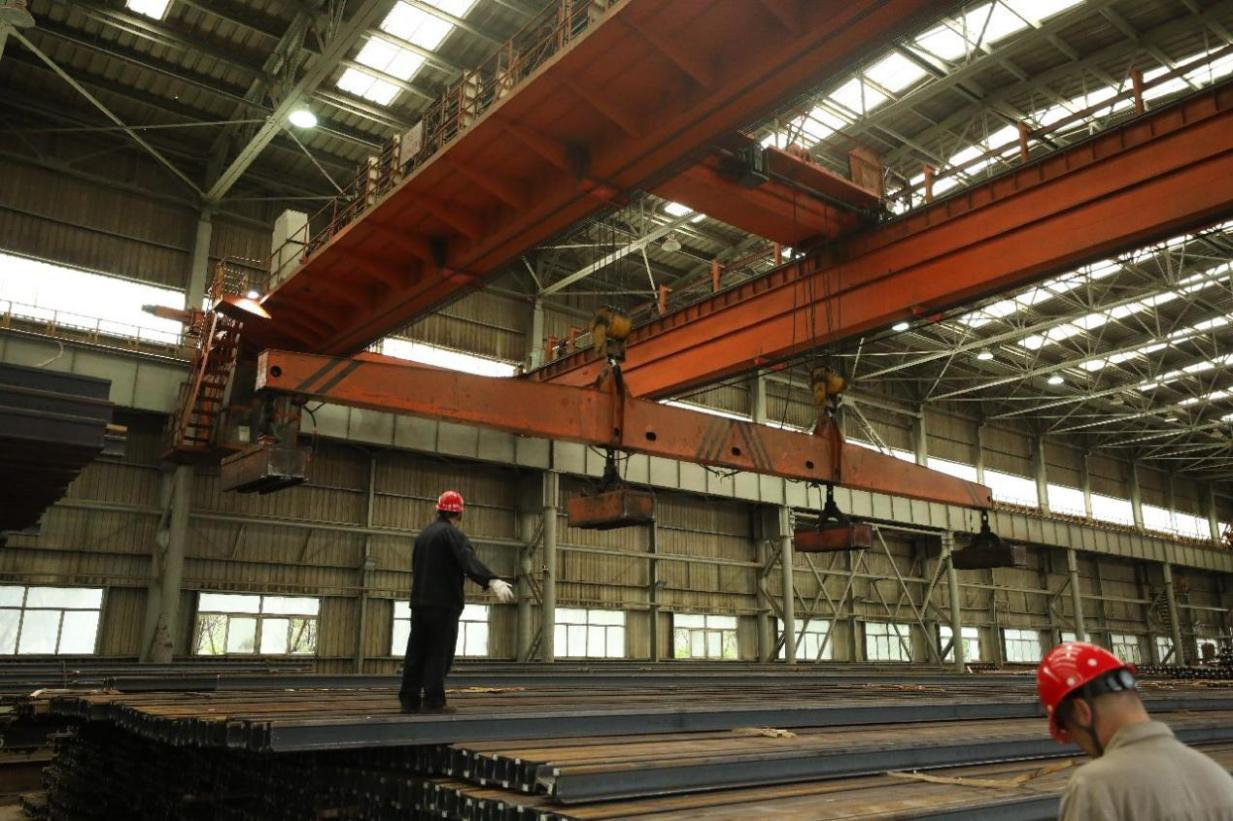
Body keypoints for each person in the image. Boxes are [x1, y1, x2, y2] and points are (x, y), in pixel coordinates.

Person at [1037, 641, 1233, 820]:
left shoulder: (1095, 788)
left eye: (1067, 728)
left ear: (1082, 712)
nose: (1075, 741)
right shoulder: (1217, 777)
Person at [399, 490, 514, 714]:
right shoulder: (451, 535)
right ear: (460, 513)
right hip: (443, 605)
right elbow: (468, 560)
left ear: (438, 509)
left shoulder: (424, 536)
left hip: (419, 603)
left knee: (416, 652)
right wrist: (492, 580)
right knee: (439, 652)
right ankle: (433, 701)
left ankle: (408, 701)